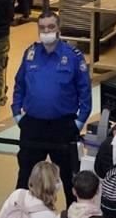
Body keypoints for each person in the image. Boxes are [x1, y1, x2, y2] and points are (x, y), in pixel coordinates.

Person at [11, 11, 93, 205]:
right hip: (33, 125)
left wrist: (79, 122)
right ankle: (20, 216)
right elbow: (19, 84)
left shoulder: (73, 56)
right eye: (42, 28)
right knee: (25, 176)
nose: (46, 31)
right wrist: (17, 114)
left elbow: (85, 91)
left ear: (58, 29)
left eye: (50, 27)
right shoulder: (31, 54)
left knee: (69, 177)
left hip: (63, 126)